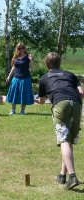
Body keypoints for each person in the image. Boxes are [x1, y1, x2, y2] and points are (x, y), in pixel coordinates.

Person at [36, 52, 84, 190]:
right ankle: (62, 175)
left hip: (60, 104)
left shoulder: (44, 78)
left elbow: (41, 100)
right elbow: (81, 93)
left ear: (47, 64)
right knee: (68, 141)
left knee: (63, 140)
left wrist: (37, 100)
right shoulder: (70, 74)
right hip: (76, 103)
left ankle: (73, 176)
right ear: (59, 63)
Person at [6, 42, 34, 115]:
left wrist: (30, 60)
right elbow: (14, 67)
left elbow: (32, 68)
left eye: (22, 48)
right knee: (14, 94)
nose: (20, 50)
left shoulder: (28, 57)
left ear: (24, 49)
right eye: (19, 48)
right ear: (17, 49)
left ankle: (22, 110)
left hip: (25, 79)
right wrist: (9, 77)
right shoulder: (15, 57)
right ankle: (13, 110)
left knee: (24, 95)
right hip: (16, 78)